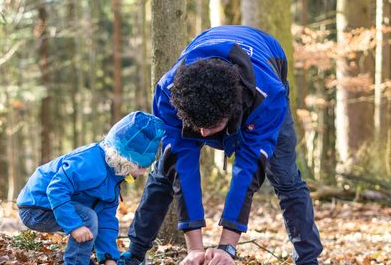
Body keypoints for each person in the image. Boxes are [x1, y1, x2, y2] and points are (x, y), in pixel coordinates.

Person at [118, 26, 323, 265]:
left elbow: (248, 168)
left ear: (233, 112)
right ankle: (134, 253)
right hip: (201, 69)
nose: (203, 134)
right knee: (166, 169)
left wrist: (227, 247)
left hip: (268, 62)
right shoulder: (168, 92)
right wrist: (194, 248)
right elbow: (182, 164)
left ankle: (308, 259)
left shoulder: (269, 98)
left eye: (210, 127)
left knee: (285, 176)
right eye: (198, 128)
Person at [17, 111, 165, 265]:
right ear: (128, 159)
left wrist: (109, 259)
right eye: (142, 166)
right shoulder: (90, 163)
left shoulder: (114, 179)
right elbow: (56, 189)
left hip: (51, 206)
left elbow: (106, 222)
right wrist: (74, 227)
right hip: (35, 206)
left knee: (93, 218)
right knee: (88, 218)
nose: (143, 172)